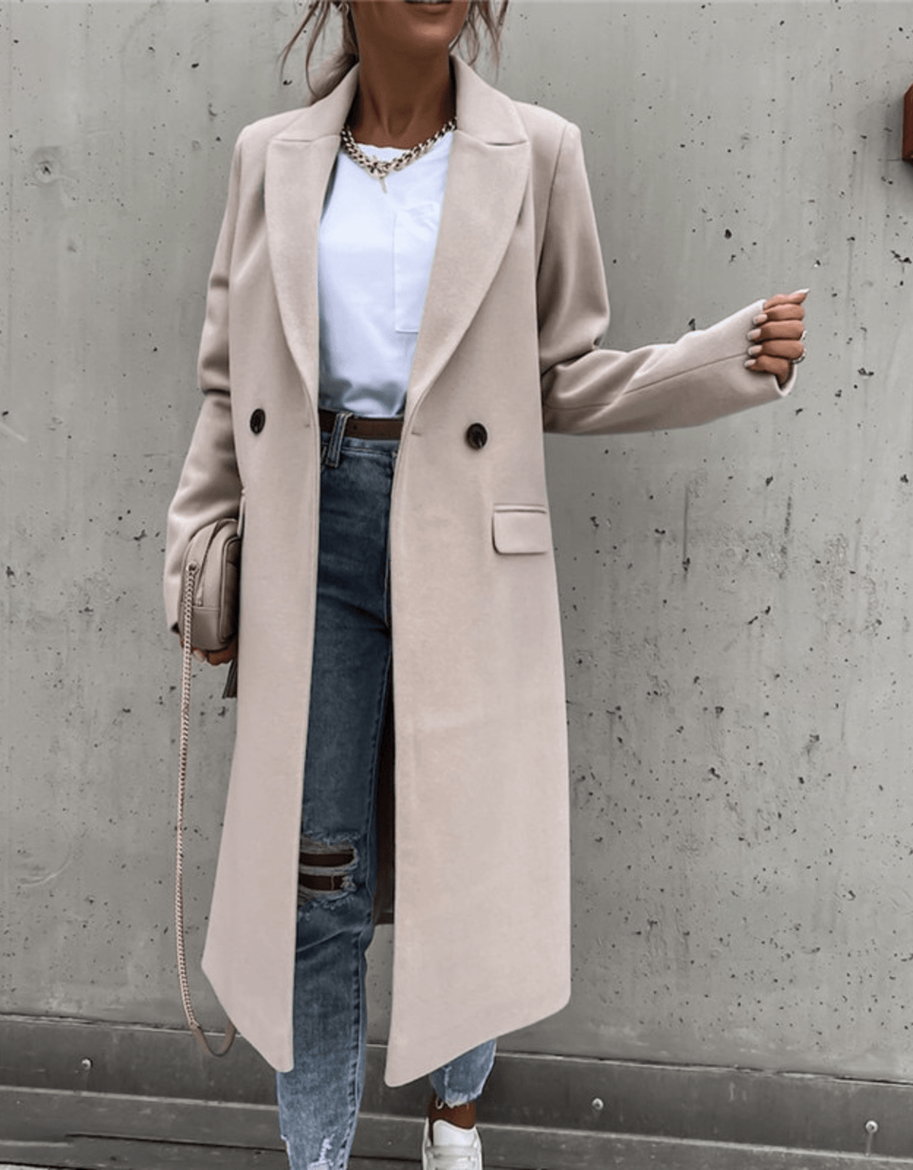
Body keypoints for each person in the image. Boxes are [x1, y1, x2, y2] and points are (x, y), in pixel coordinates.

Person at [163, 3, 807, 1168]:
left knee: (463, 859)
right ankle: (317, 1155)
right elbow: (228, 383)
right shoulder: (271, 157)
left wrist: (721, 359)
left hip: (465, 533)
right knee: (316, 874)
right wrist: (197, 553)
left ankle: (453, 1115)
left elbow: (557, 375)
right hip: (309, 531)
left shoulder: (537, 151)